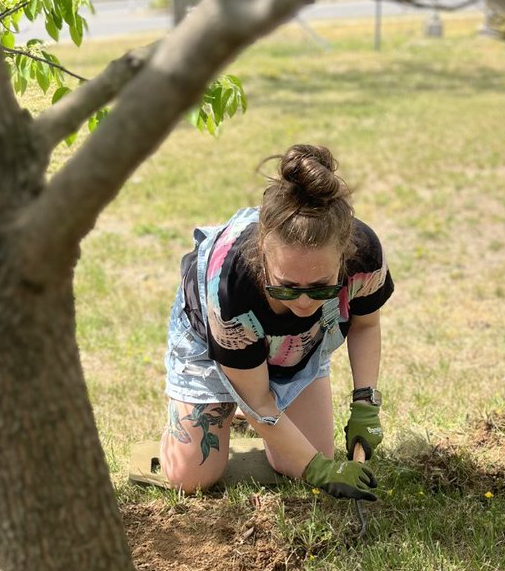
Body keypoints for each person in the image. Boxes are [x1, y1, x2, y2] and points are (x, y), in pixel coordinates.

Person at [160, 143, 394, 499]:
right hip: (212, 335)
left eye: (321, 288)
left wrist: (366, 404)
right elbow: (259, 402)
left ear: (344, 258)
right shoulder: (230, 286)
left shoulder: (365, 256)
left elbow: (366, 326)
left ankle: (247, 398)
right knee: (190, 477)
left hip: (295, 344)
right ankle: (217, 402)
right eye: (286, 287)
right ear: (262, 256)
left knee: (298, 462)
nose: (303, 302)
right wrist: (319, 470)